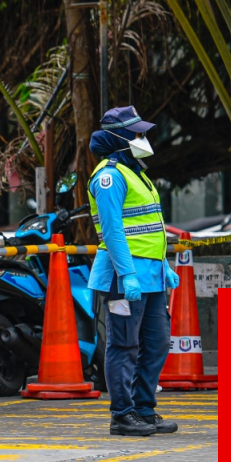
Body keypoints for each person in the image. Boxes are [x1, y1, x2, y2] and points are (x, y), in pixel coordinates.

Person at [86, 106, 181, 437]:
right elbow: (112, 232)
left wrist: (164, 265)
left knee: (157, 343)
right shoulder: (109, 176)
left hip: (151, 276)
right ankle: (122, 415)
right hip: (122, 279)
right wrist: (127, 275)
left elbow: (149, 226)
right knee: (124, 344)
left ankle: (143, 409)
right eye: (137, 133)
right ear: (120, 138)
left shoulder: (136, 172)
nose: (143, 138)